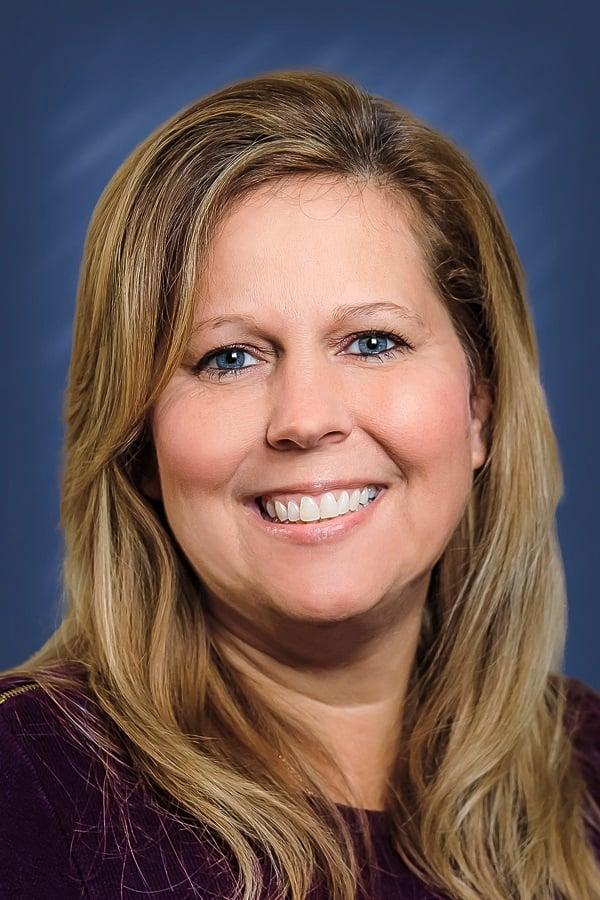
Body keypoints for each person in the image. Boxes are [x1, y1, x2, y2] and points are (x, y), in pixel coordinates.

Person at [0, 69, 598, 900]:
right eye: (230, 357)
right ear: (137, 442)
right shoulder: (24, 789)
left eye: (374, 341)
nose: (305, 419)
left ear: (480, 410)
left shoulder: (588, 773)